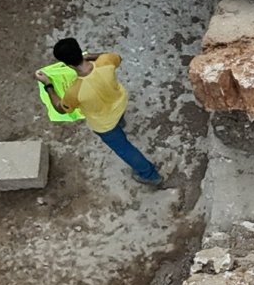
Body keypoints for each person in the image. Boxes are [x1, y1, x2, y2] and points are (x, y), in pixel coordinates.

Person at [38, 37, 162, 184]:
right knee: (120, 127)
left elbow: (61, 109)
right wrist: (90, 56)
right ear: (80, 50)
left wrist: (48, 85)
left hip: (104, 124)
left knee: (125, 149)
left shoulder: (74, 91)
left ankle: (150, 175)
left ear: (66, 64)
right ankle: (121, 122)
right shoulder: (105, 62)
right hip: (119, 103)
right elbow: (117, 57)